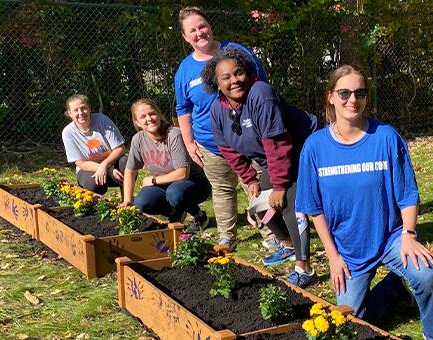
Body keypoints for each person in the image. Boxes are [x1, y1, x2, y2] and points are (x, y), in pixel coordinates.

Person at [295, 65, 433, 339]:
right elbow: (314, 209)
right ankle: (392, 289)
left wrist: (409, 236)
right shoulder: (315, 147)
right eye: (344, 93)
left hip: (391, 237)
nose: (352, 100)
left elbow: (408, 194)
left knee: (427, 277)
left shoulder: (386, 137)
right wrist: (332, 256)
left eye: (360, 93)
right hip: (348, 248)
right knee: (353, 323)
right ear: (330, 96)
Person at [202, 48, 318, 287]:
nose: (235, 80)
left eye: (239, 72)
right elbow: (228, 150)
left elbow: (278, 143)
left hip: (303, 148)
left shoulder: (260, 94)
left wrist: (278, 185)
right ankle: (286, 244)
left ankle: (304, 267)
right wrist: (251, 179)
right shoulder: (217, 111)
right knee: (258, 206)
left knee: (287, 205)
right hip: (274, 158)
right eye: (227, 77)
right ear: (216, 83)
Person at [174, 6, 275, 246]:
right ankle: (227, 236)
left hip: (248, 138)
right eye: (192, 30)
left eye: (202, 26)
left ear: (210, 26)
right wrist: (189, 143)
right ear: (185, 37)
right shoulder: (184, 70)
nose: (199, 33)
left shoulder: (236, 51)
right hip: (209, 143)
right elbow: (183, 109)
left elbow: (261, 86)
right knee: (222, 189)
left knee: (256, 185)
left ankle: (272, 233)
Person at [120, 99, 211, 229]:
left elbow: (182, 173)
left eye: (152, 114)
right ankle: (174, 212)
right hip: (164, 185)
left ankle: (199, 216)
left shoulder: (173, 134)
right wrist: (127, 199)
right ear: (137, 122)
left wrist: (153, 180)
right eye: (143, 117)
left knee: (175, 193)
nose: (149, 119)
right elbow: (130, 170)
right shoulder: (138, 139)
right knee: (141, 202)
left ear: (159, 114)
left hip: (193, 182)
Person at [61, 94, 127, 195]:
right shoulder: (68, 132)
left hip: (112, 163)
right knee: (92, 184)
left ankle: (127, 201)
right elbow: (80, 163)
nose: (81, 113)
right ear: (70, 113)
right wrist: (107, 169)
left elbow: (120, 148)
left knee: (126, 162)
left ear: (90, 108)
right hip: (89, 169)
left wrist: (105, 165)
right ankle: (98, 208)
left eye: (83, 108)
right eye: (76, 110)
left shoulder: (102, 120)